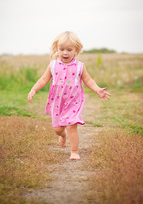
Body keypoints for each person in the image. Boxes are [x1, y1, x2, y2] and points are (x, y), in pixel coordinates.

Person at [28, 31, 111, 160]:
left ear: (76, 51)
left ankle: (74, 151)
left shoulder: (80, 67)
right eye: (61, 49)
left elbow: (88, 80)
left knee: (71, 126)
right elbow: (43, 80)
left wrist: (97, 90)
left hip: (73, 101)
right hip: (57, 103)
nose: (65, 53)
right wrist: (34, 89)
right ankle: (62, 135)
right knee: (57, 129)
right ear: (57, 49)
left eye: (69, 49)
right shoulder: (53, 65)